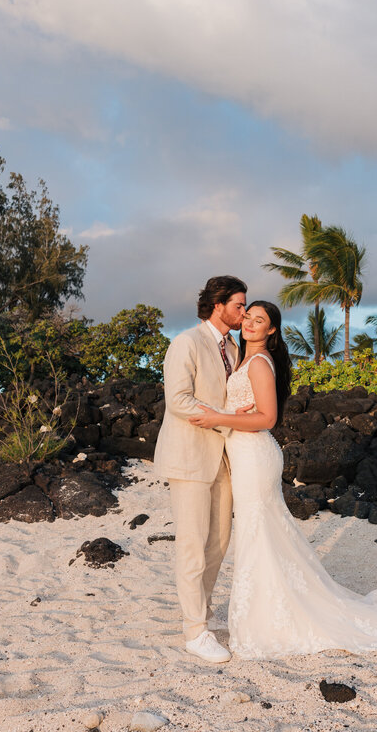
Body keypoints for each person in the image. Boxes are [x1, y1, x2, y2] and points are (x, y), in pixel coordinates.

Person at [189, 300, 377, 659]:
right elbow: (250, 409)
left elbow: (268, 418)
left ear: (272, 330)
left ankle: (267, 618)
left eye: (260, 320)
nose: (251, 324)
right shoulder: (241, 358)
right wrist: (228, 413)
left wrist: (215, 418)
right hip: (245, 454)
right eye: (248, 317)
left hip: (255, 455)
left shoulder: (257, 363)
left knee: (258, 533)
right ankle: (266, 610)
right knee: (263, 533)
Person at [154, 275, 248, 664]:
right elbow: (178, 400)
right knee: (193, 544)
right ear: (218, 305)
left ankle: (203, 612)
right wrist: (225, 418)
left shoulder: (233, 347)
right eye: (239, 305)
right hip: (191, 456)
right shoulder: (186, 343)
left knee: (220, 541)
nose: (244, 311)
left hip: (224, 456)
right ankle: (194, 631)